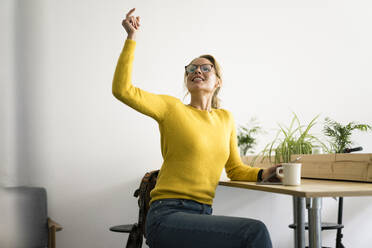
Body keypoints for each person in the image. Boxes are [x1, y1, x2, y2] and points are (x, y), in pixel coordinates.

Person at [113, 8, 280, 248]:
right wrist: (132, 38)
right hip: (167, 215)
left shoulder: (225, 119)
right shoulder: (171, 108)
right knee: (253, 233)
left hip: (201, 215)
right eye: (191, 69)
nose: (197, 71)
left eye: (205, 68)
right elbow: (122, 90)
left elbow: (235, 170)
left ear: (218, 82)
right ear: (187, 79)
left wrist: (265, 174)